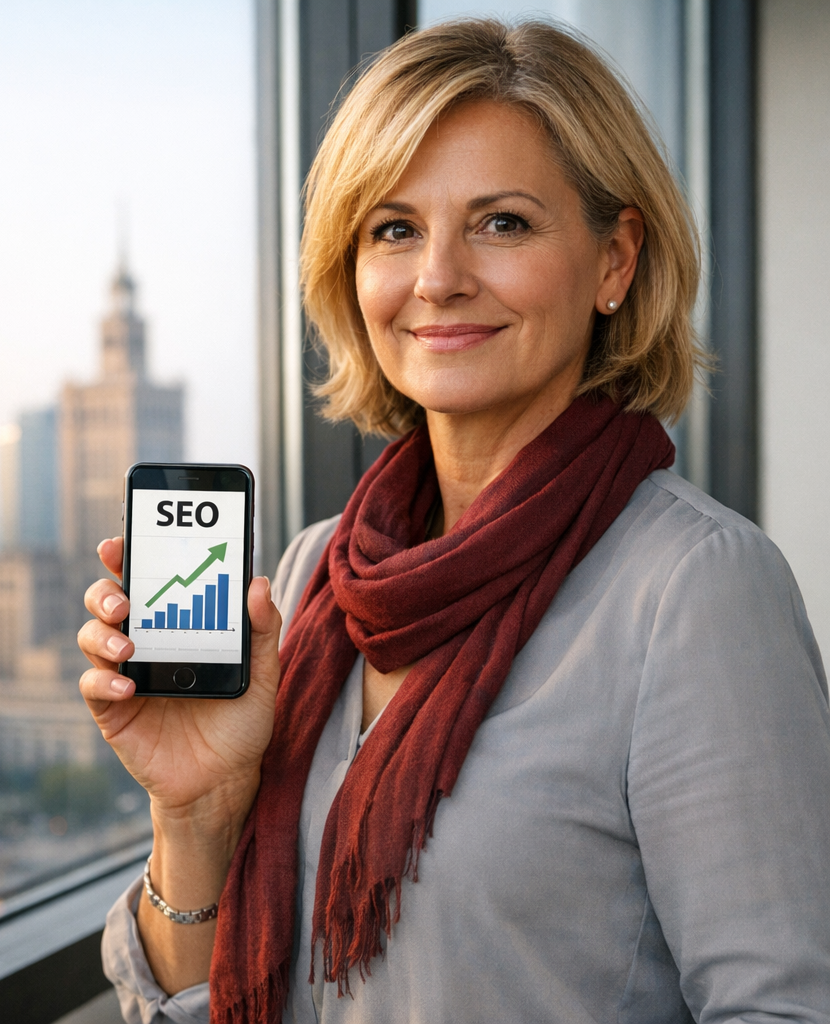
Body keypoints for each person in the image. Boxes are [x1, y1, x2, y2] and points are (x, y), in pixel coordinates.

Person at [78, 18, 830, 1024]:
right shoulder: (312, 577)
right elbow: (185, 1000)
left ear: (615, 261)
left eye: (502, 223)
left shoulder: (695, 590)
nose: (437, 277)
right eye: (393, 228)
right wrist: (195, 809)